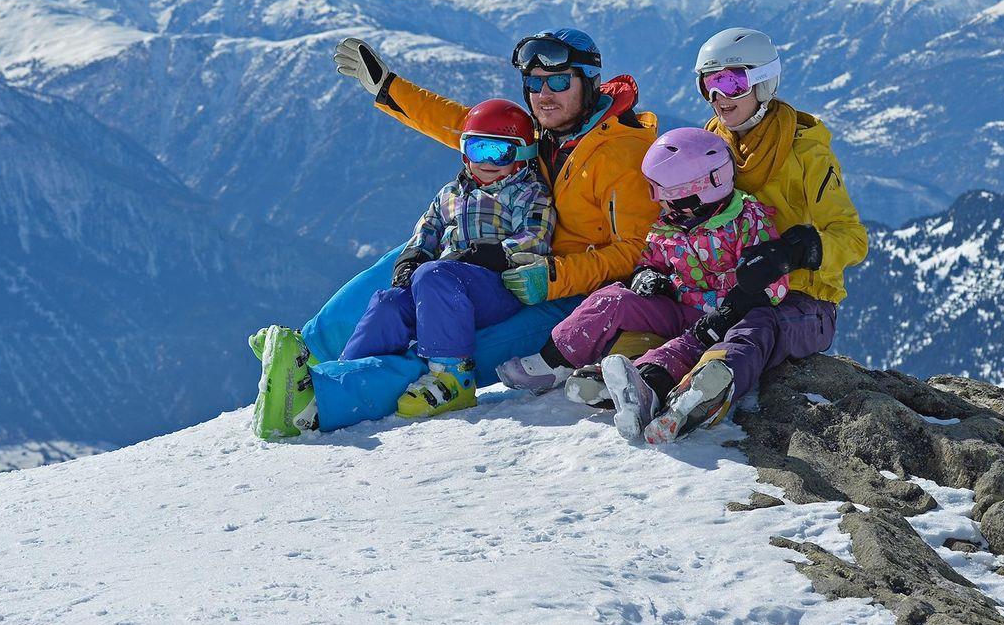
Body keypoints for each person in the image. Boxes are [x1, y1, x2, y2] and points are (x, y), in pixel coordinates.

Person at [251, 28, 658, 433]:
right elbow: (465, 127)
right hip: (503, 263)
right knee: (405, 264)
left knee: (446, 345)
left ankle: (321, 399)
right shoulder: (547, 133)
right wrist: (389, 88)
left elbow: (636, 251)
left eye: (558, 82)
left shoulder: (622, 155)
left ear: (589, 82)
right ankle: (308, 351)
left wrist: (552, 276)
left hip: (564, 297)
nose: (544, 94)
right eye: (534, 83)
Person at [597, 26, 868, 444]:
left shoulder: (806, 153)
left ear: (764, 82)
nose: (718, 96)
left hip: (800, 299)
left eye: (732, 83)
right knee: (663, 309)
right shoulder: (712, 141)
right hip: (723, 291)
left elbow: (852, 237)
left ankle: (706, 391)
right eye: (709, 83)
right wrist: (658, 269)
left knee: (757, 324)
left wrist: (795, 252)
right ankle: (636, 379)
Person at [497, 128, 789, 411]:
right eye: (655, 191)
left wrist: (732, 310)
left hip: (723, 320)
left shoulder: (747, 220)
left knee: (683, 347)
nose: (659, 201)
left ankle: (638, 383)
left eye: (667, 194)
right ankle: (555, 360)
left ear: (706, 187)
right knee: (613, 298)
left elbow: (772, 280)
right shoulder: (670, 223)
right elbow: (651, 258)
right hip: (677, 309)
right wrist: (647, 274)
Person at [340, 99, 555, 420]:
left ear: (523, 155)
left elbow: (536, 237)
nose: (487, 161)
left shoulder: (527, 193)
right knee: (388, 302)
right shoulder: (451, 193)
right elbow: (427, 230)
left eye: (500, 152)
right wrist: (411, 259)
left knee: (434, 274)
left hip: (497, 286)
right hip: (441, 287)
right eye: (478, 149)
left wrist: (491, 253)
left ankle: (453, 375)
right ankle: (348, 377)